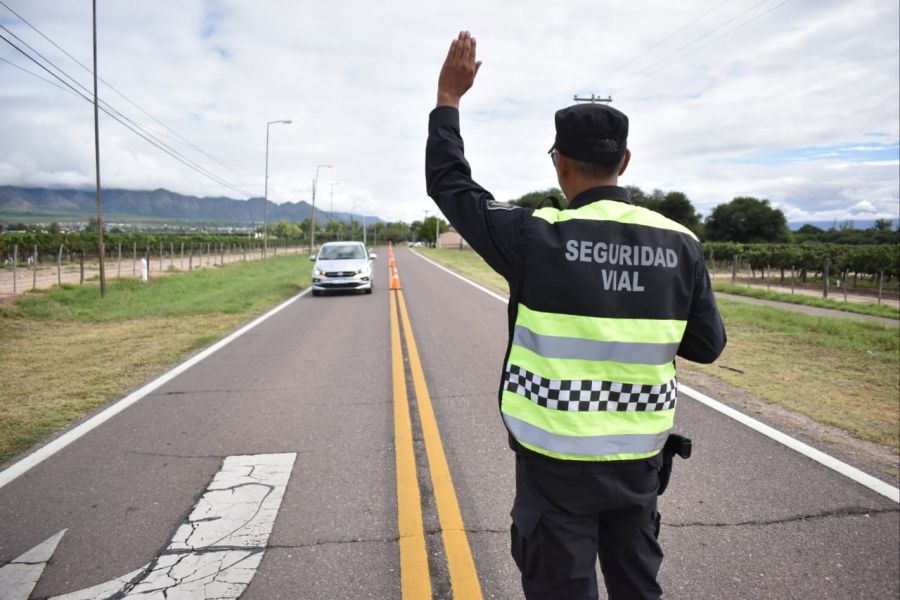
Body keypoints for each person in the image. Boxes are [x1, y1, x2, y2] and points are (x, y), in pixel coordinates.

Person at [425, 31, 727, 599]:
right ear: (625, 161)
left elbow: (450, 184)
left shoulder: (534, 235)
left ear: (561, 163)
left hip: (555, 465)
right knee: (638, 587)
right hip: (639, 463)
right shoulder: (681, 242)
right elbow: (707, 345)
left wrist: (449, 97)